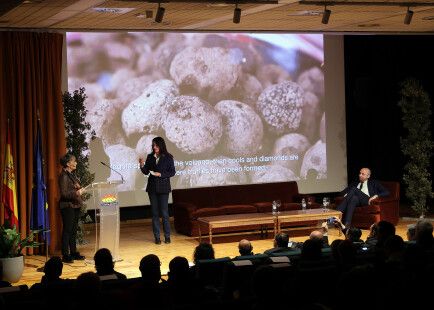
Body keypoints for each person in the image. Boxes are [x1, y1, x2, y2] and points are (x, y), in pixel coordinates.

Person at [139, 137, 176, 245]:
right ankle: (157, 237)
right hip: (152, 188)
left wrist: (161, 174)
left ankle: (167, 236)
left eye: (156, 145)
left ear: (161, 145)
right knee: (155, 213)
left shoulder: (168, 157)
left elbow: (172, 172)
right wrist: (141, 165)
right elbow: (146, 172)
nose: (154, 147)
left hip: (164, 187)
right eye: (153, 145)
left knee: (164, 213)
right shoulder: (150, 157)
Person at [58, 153, 85, 263]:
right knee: (67, 230)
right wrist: (77, 192)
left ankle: (73, 252)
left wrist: (79, 189)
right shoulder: (63, 176)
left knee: (73, 231)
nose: (76, 163)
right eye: (74, 161)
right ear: (68, 163)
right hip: (67, 206)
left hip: (75, 205)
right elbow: (64, 194)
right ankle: (65, 254)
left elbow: (75, 187)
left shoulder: (71, 175)